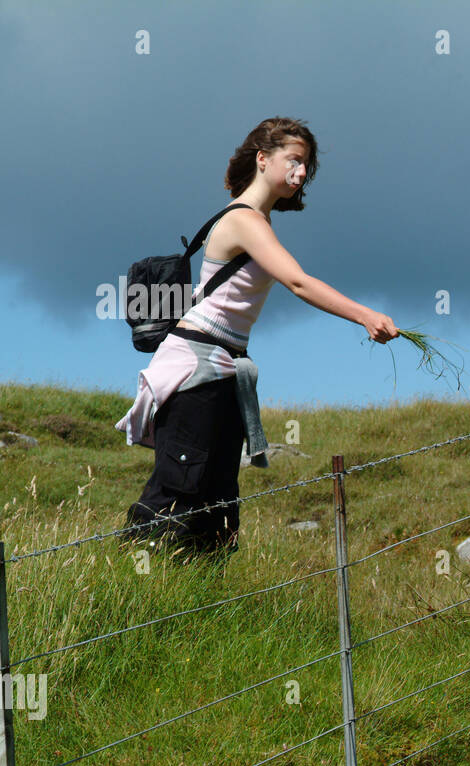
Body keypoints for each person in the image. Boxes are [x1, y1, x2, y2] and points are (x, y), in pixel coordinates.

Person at [116, 117, 398, 556]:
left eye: (307, 167)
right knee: (179, 494)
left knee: (218, 504)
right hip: (197, 369)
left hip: (223, 371)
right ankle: (134, 592)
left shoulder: (258, 221)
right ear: (263, 158)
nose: (301, 174)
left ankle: (201, 603)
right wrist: (364, 316)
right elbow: (299, 282)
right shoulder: (245, 221)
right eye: (295, 160)